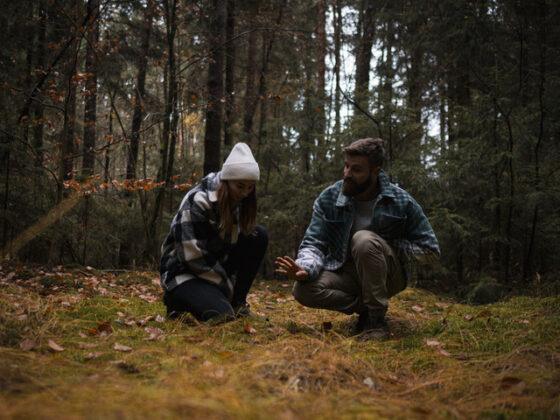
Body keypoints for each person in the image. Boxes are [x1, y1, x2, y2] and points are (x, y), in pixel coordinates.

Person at [275, 138, 439, 339]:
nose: (347, 174)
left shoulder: (400, 201)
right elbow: (314, 242)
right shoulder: (330, 198)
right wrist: (305, 268)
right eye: (346, 166)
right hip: (348, 273)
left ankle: (376, 322)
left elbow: (430, 250)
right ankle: (366, 309)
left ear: (375, 171)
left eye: (356, 170)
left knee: (363, 240)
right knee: (303, 291)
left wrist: (388, 246)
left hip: (389, 276)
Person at [160, 142, 268, 322]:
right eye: (240, 186)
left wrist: (231, 291)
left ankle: (237, 303)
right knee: (222, 316)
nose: (245, 193)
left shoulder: (238, 202)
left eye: (250, 187)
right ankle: (175, 300)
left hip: (213, 268)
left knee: (258, 235)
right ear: (226, 181)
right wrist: (227, 286)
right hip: (184, 271)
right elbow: (191, 257)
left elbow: (233, 248)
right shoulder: (197, 202)